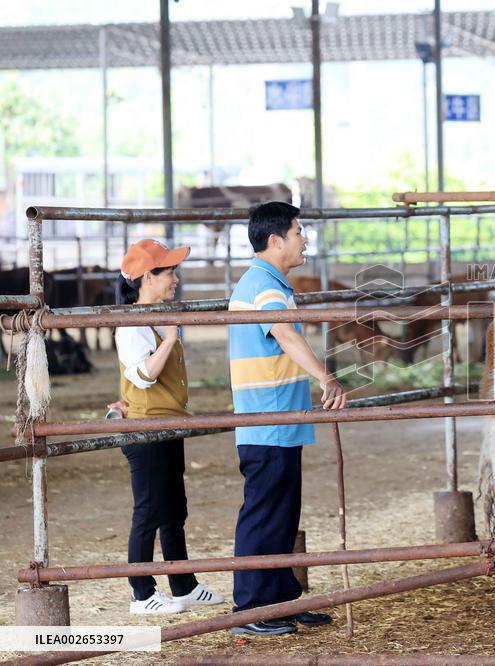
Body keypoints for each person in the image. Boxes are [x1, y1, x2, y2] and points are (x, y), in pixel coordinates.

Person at [228, 201, 347, 636]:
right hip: (268, 419)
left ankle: (278, 600)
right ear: (276, 240)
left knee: (280, 512)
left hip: (278, 419)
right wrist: (325, 377)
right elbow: (284, 332)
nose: (304, 239)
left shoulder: (269, 282)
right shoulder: (263, 285)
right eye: (299, 232)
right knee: (264, 512)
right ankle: (252, 608)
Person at [113, 239, 224, 614]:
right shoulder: (130, 323)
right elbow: (143, 375)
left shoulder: (156, 315)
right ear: (148, 276)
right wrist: (172, 339)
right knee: (148, 509)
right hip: (145, 429)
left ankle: (184, 584)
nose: (175, 278)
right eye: (169, 271)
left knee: (174, 506)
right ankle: (141, 594)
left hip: (166, 425)